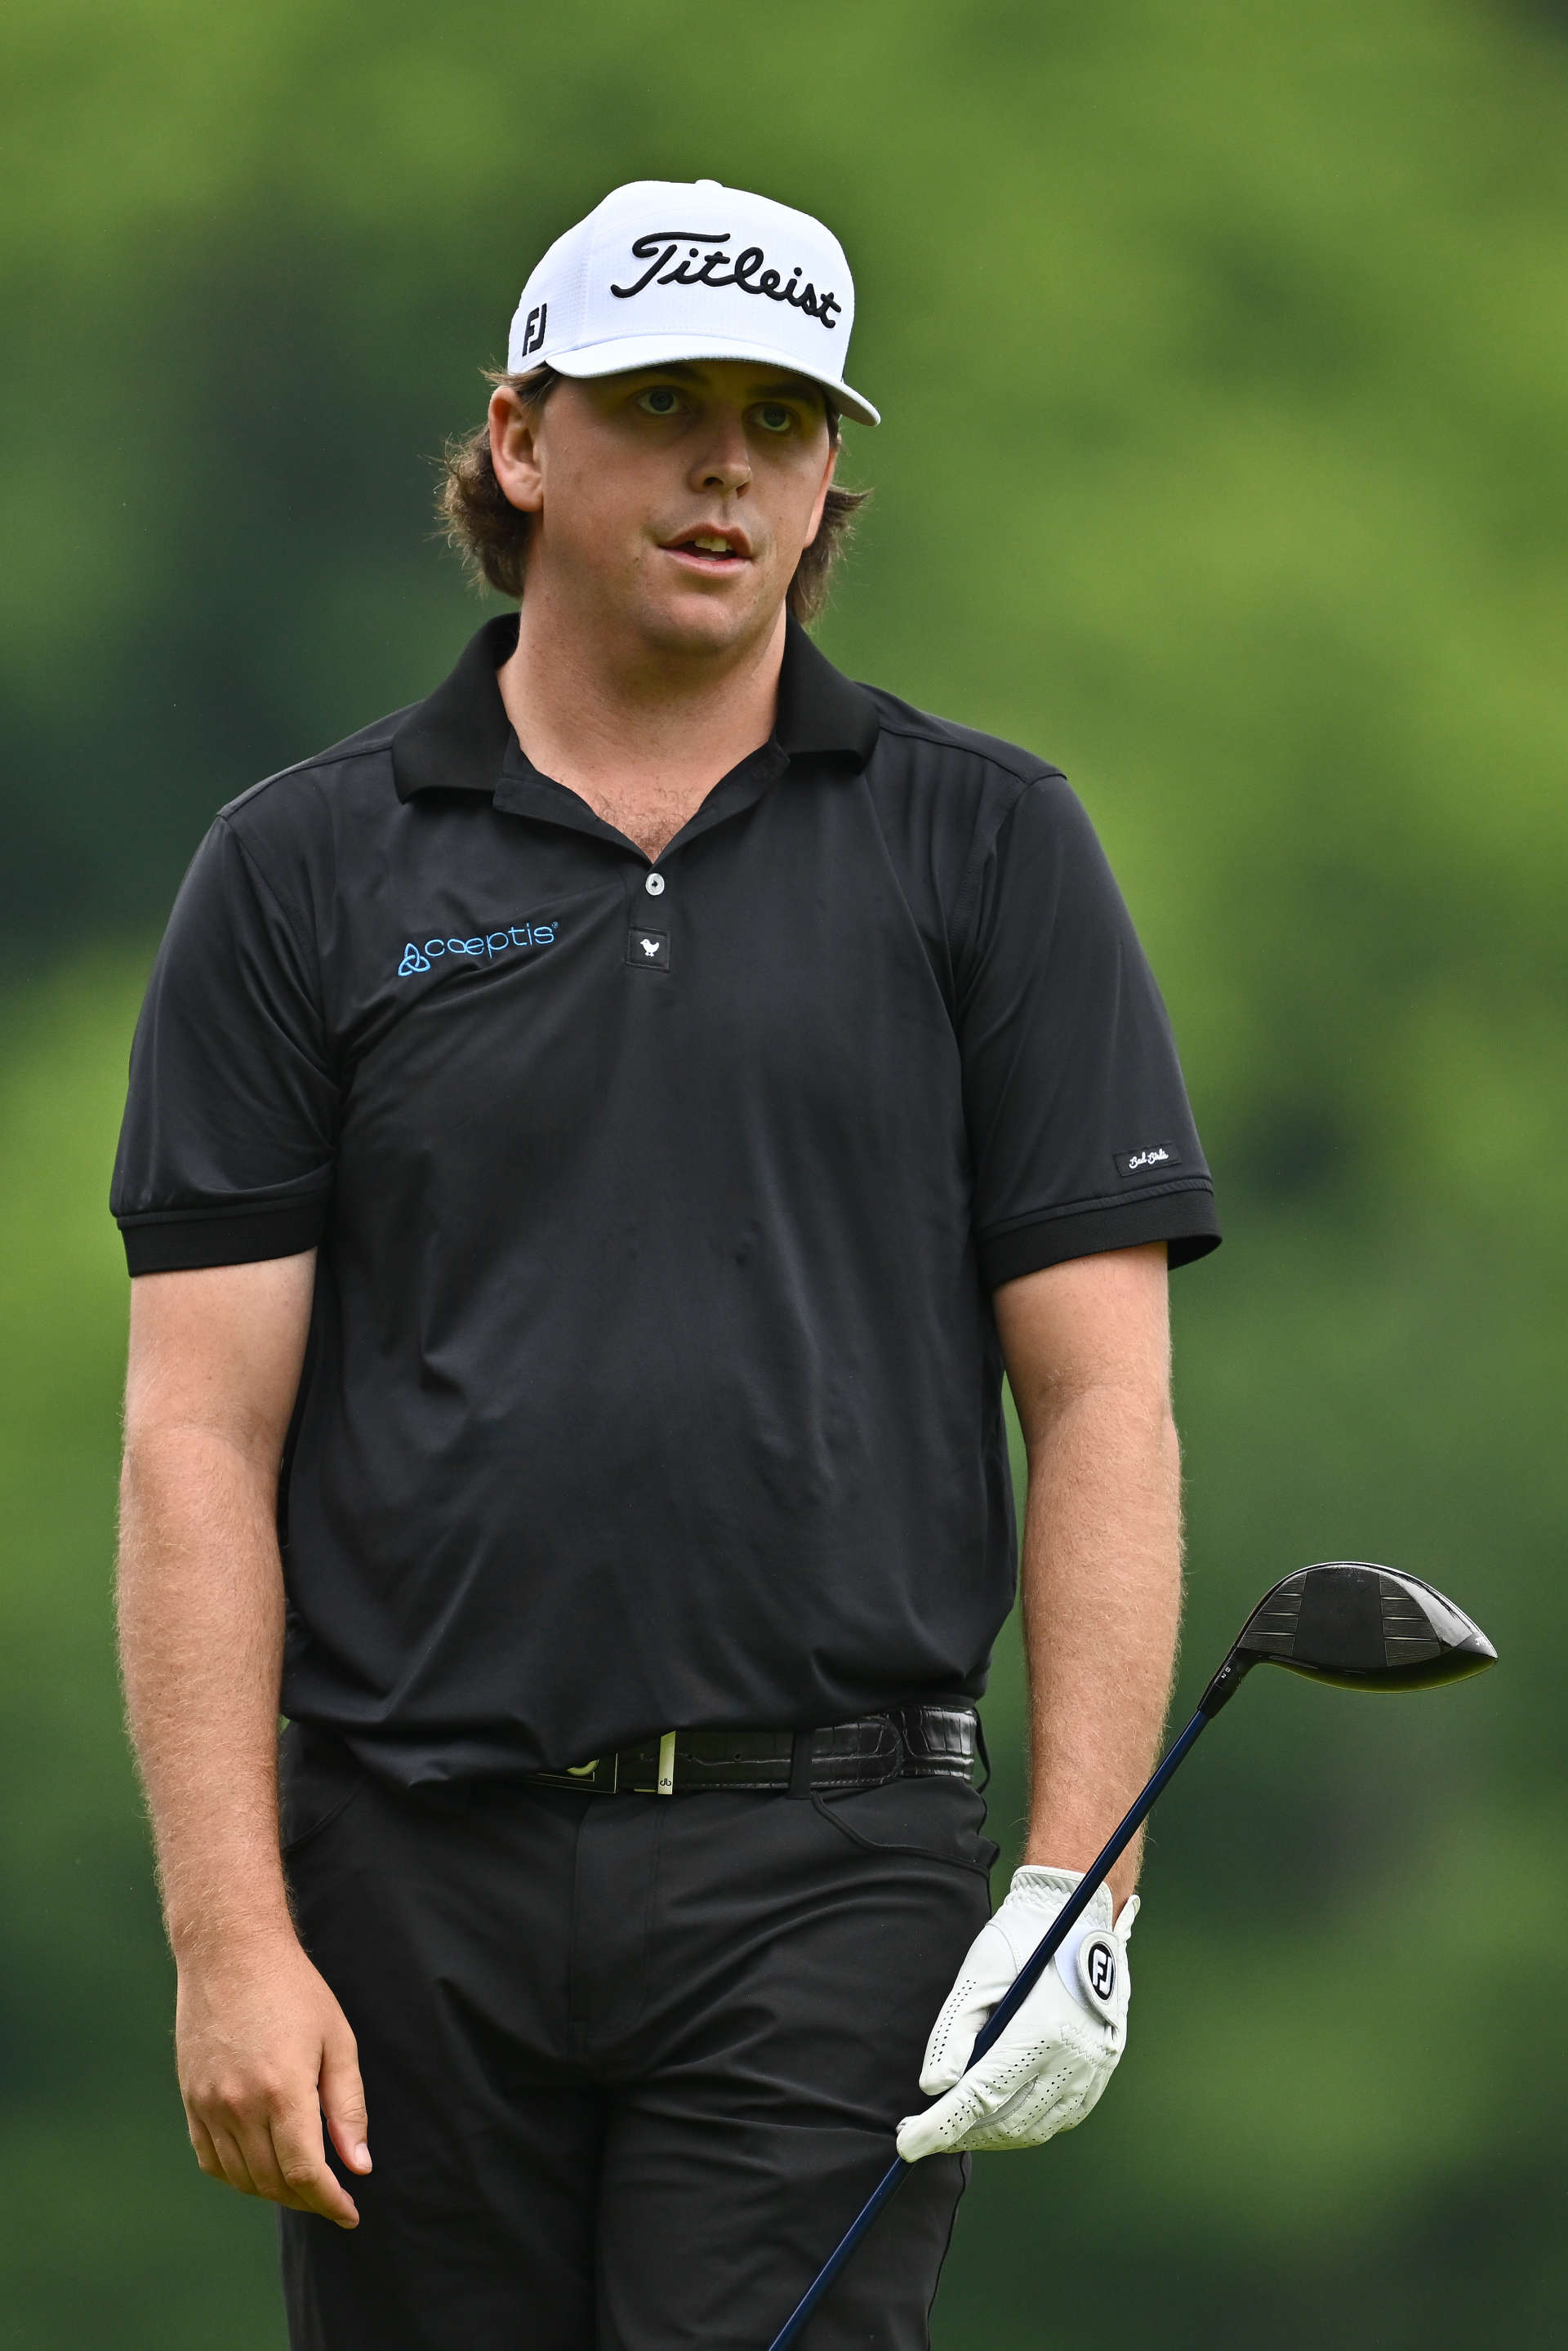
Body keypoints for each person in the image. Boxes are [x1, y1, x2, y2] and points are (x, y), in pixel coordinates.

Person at [111, 177, 1220, 2350]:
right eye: (669, 404)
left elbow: (1103, 1398)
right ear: (523, 442)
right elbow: (194, 1443)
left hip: (833, 1879)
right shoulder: (303, 870)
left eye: (787, 422)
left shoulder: (984, 845)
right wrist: (228, 1938)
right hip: (404, 1874)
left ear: (830, 484)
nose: (733, 466)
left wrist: (1080, 1888)